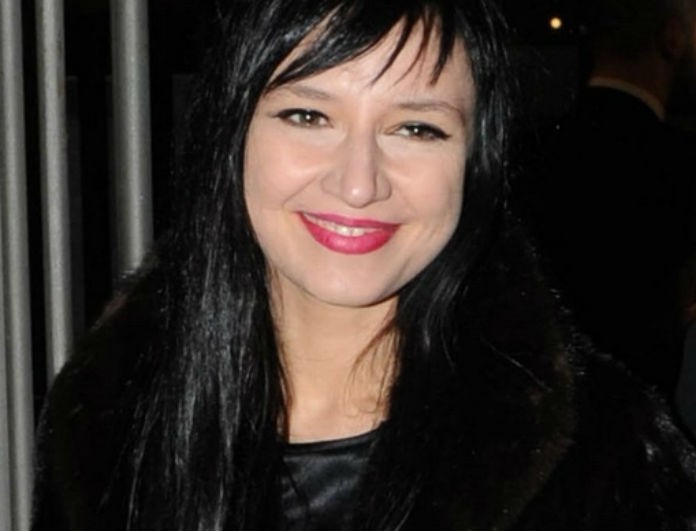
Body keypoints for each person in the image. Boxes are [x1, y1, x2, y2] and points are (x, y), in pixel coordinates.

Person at [31, 1, 696, 530]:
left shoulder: (604, 460)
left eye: (416, 128)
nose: (358, 184)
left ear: (475, 164)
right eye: (308, 114)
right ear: (231, 134)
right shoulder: (107, 424)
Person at [520, 0, 696, 401]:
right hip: (646, 413)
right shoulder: (681, 163)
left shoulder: (531, 152)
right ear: (672, 38)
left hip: (540, 405)